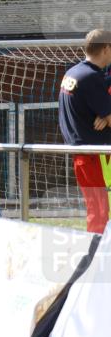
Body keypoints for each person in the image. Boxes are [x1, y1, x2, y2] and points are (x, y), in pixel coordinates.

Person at [58, 28, 111, 234]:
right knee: (99, 210)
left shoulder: (73, 73)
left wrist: (104, 117)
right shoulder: (91, 77)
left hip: (83, 154)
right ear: (106, 48)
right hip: (94, 155)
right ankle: (98, 259)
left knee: (97, 208)